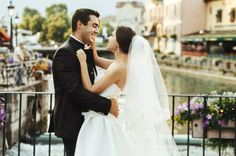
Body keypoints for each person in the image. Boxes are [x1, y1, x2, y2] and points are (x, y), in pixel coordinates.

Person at [75, 26, 181, 156]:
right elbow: (96, 60)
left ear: (118, 44)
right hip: (104, 115)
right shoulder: (119, 64)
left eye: (112, 36)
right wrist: (93, 44)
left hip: (103, 122)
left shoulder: (119, 68)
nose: (108, 37)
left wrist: (82, 63)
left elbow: (90, 90)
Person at [48, 8, 119, 156]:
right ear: (80, 24)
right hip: (72, 123)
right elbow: (75, 91)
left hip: (89, 122)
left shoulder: (85, 50)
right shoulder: (64, 52)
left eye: (97, 26)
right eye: (94, 25)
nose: (96, 31)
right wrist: (107, 105)